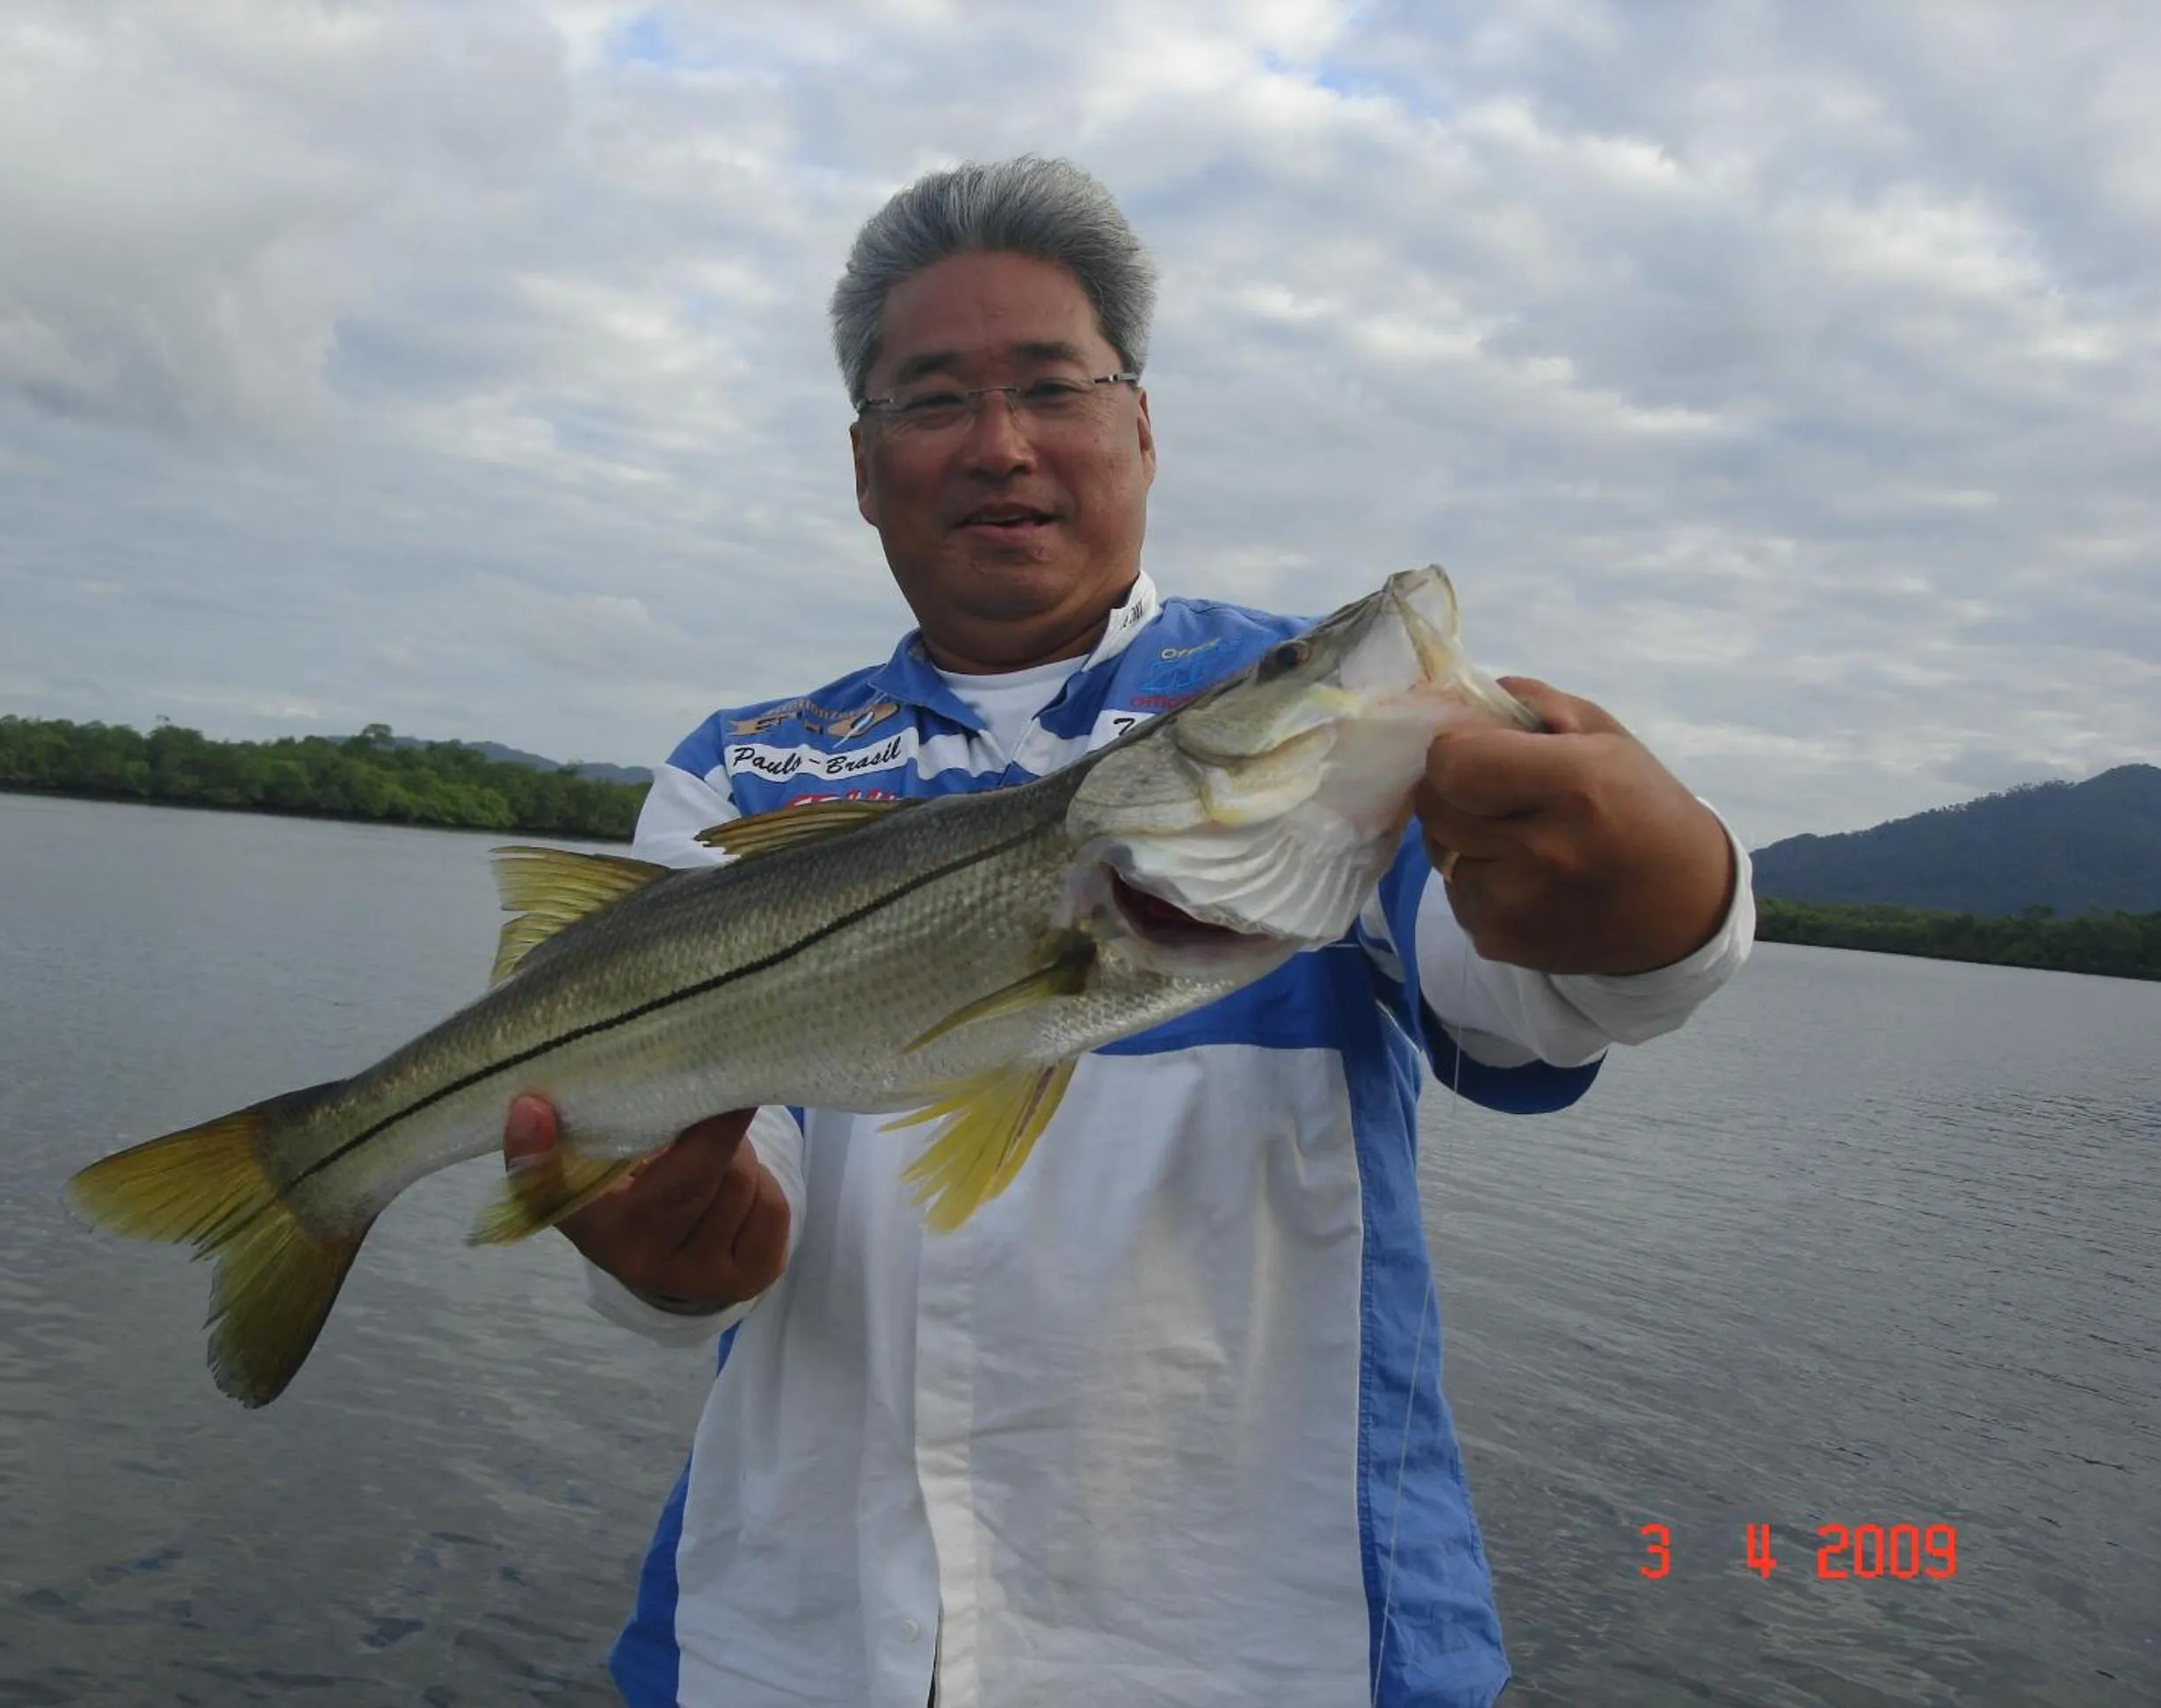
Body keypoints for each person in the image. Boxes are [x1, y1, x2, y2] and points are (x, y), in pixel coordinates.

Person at [501, 156, 1752, 1708]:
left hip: (1274, 1654)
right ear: (865, 465)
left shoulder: (1317, 756)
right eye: (934, 400)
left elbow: (1542, 989)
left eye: (1052, 385)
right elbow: (701, 1201)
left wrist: (1674, 897)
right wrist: (669, 1260)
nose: (1000, 444)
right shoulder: (740, 775)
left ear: (1141, 428)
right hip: (790, 1643)